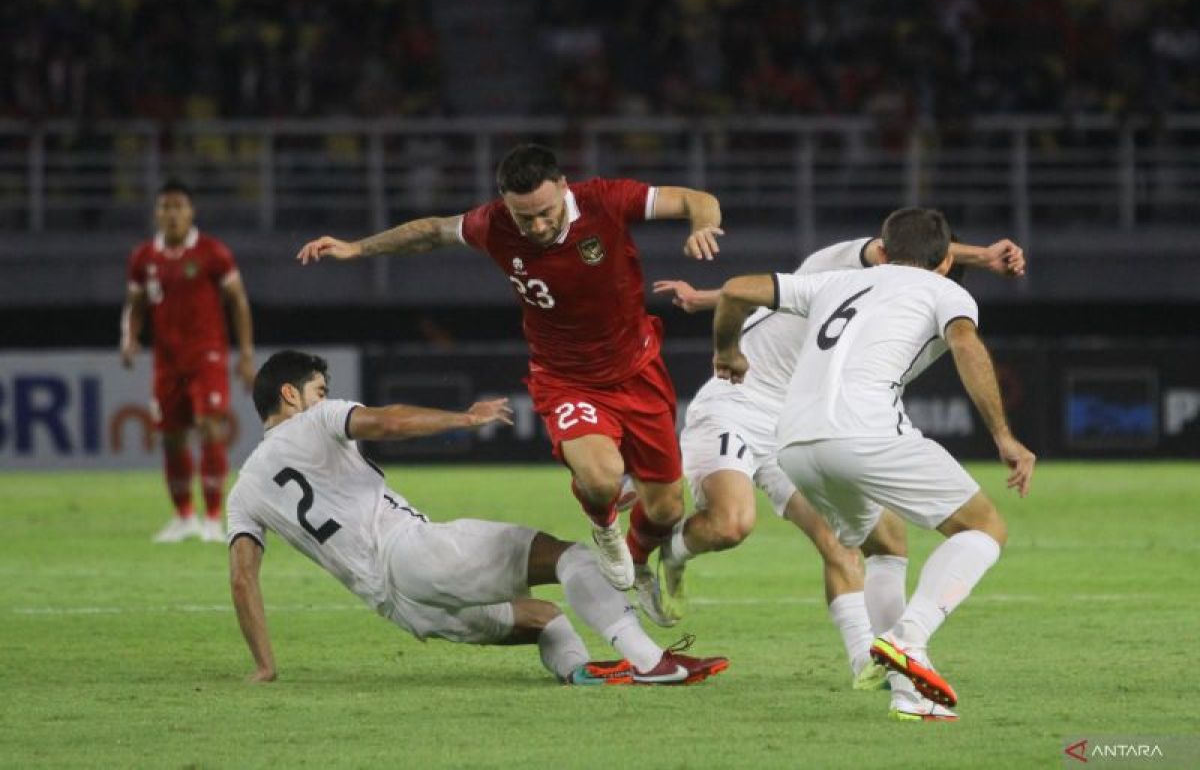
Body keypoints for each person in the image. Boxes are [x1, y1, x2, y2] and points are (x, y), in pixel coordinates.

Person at [296, 144, 724, 626]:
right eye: (526, 219)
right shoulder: (492, 223)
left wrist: (703, 225)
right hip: (565, 379)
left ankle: (639, 557)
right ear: (504, 202)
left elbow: (695, 198)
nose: (537, 227)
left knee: (666, 510)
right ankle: (603, 526)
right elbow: (431, 231)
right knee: (603, 477)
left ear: (564, 187)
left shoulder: (605, 200)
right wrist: (358, 247)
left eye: (545, 213)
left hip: (639, 371)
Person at [650, 234, 1025, 690]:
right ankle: (672, 550)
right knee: (730, 525)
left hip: (800, 420)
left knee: (848, 540)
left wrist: (705, 297)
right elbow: (915, 250)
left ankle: (869, 665)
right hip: (737, 402)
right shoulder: (841, 266)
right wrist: (982, 257)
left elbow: (919, 252)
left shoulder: (879, 293)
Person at [227, 350, 729, 686]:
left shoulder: (245, 488)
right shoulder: (316, 419)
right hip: (413, 553)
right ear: (290, 395)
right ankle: (651, 662)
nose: (323, 396)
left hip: (402, 609)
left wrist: (265, 666)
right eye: (318, 388)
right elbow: (390, 419)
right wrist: (463, 419)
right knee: (570, 558)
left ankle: (580, 674)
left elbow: (242, 579)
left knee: (547, 619)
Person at [121, 180, 256, 543]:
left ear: (191, 211)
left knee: (210, 426)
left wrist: (245, 354)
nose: (172, 214)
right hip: (167, 361)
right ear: (156, 213)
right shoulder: (144, 257)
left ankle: (213, 518)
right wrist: (129, 337)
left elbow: (239, 302)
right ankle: (184, 517)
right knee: (170, 436)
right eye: (165, 207)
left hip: (207, 355)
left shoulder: (213, 253)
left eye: (179, 206)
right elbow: (134, 305)